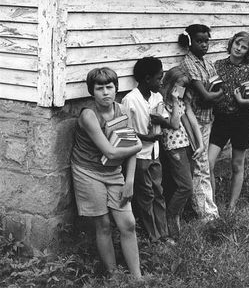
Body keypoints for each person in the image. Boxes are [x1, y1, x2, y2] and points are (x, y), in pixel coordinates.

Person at [70, 67, 142, 278]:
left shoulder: (121, 111)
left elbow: (127, 146)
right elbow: (110, 151)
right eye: (99, 88)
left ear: (116, 88)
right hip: (87, 170)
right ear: (92, 91)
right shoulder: (88, 115)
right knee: (103, 224)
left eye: (109, 87)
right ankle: (114, 276)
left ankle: (138, 278)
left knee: (128, 223)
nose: (105, 92)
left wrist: (129, 181)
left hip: (114, 172)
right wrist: (138, 146)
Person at [208, 31, 249, 213]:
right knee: (209, 163)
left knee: (237, 164)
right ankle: (211, 206)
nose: (239, 49)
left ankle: (231, 206)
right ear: (231, 43)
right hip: (220, 120)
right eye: (237, 44)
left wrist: (243, 102)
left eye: (244, 47)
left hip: (241, 121)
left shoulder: (248, 70)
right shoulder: (217, 65)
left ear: (247, 52)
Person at [121, 56, 175, 245]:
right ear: (147, 78)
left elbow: (166, 121)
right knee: (146, 195)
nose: (161, 82)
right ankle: (154, 236)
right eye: (159, 78)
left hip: (155, 153)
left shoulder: (157, 97)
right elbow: (124, 132)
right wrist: (146, 138)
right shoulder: (130, 100)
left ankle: (163, 233)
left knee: (158, 191)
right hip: (139, 156)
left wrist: (161, 124)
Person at [178, 24, 223, 221]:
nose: (204, 45)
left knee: (201, 165)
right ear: (189, 42)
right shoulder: (189, 64)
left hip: (207, 118)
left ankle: (202, 208)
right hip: (194, 120)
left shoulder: (207, 63)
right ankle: (207, 215)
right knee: (201, 166)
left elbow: (220, 88)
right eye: (199, 41)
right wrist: (217, 94)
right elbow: (205, 96)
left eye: (206, 41)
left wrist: (216, 94)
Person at [159, 66, 204, 239]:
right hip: (174, 147)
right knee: (185, 186)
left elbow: (193, 122)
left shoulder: (183, 102)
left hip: (187, 145)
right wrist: (175, 100)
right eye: (177, 85)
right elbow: (175, 124)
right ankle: (171, 215)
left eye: (183, 86)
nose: (180, 90)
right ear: (169, 83)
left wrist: (200, 144)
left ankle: (176, 219)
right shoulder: (162, 103)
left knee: (185, 184)